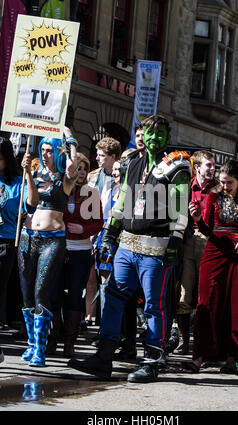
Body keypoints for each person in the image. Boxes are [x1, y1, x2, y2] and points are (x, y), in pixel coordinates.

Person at [68, 115, 192, 383]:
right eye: (149, 132)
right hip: (127, 244)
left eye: (160, 133)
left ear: (167, 137)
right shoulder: (133, 163)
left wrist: (176, 240)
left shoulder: (177, 166)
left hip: (157, 247)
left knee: (153, 306)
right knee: (113, 297)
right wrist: (110, 234)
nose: (154, 138)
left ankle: (152, 362)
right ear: (142, 136)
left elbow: (181, 206)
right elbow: (123, 199)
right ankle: (103, 357)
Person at [189, 159, 238, 374]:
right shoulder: (214, 196)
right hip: (215, 251)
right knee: (207, 301)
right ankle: (199, 357)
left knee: (233, 305)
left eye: (229, 182)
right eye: (222, 182)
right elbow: (208, 229)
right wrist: (198, 218)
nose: (225, 186)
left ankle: (231, 358)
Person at [17, 127, 78, 367]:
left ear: (58, 152)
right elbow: (31, 203)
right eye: (42, 150)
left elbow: (73, 164)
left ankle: (41, 349)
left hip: (52, 240)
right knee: (26, 296)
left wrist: (69, 138)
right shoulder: (34, 173)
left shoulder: (65, 176)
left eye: (50, 150)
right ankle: (32, 345)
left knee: (41, 291)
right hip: (27, 237)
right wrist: (28, 174)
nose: (45, 154)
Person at [0, 137, 38, 372]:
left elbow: (32, 203)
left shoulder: (19, 182)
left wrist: (28, 173)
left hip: (2, 246)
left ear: (7, 159)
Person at [46, 152, 103, 357]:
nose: (81, 171)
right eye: (77, 167)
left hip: (80, 250)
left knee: (75, 296)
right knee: (54, 295)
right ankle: (52, 339)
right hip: (57, 247)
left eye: (85, 168)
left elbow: (99, 223)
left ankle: (69, 343)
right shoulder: (58, 188)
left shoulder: (92, 192)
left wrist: (84, 231)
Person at [174, 150, 216, 355]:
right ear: (197, 167)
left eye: (213, 165)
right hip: (187, 240)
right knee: (184, 293)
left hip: (209, 242)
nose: (212, 169)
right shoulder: (187, 187)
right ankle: (183, 341)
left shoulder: (218, 189)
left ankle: (203, 344)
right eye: (208, 165)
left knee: (205, 296)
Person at [84, 138, 121, 334]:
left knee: (105, 276)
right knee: (90, 275)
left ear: (113, 156)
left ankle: (105, 321)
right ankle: (88, 316)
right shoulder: (93, 176)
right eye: (97, 155)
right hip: (92, 228)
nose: (97, 159)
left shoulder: (120, 178)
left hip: (109, 230)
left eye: (101, 155)